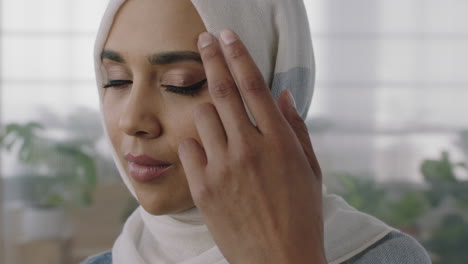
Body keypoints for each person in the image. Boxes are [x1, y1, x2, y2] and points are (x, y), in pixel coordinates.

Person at [83, 0, 432, 263]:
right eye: (117, 80)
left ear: (273, 81)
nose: (132, 121)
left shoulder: (388, 257)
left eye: (182, 84)